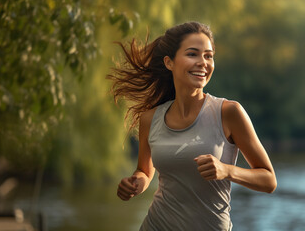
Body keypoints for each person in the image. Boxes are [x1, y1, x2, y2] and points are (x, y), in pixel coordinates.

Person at [108, 21, 277, 230]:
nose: (203, 62)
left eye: (208, 55)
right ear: (170, 62)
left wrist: (227, 170)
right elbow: (144, 170)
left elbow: (269, 180)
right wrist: (135, 184)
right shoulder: (151, 119)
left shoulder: (228, 112)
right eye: (193, 54)